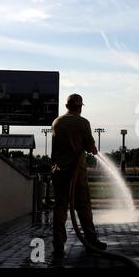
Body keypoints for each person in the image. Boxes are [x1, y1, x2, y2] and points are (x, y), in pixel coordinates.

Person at [51, 93, 107, 256]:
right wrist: (93, 149)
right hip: (77, 173)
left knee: (60, 209)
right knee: (83, 207)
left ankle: (58, 244)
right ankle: (91, 240)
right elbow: (90, 146)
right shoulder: (82, 123)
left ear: (67, 106)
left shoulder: (57, 122)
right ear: (80, 107)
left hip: (59, 171)